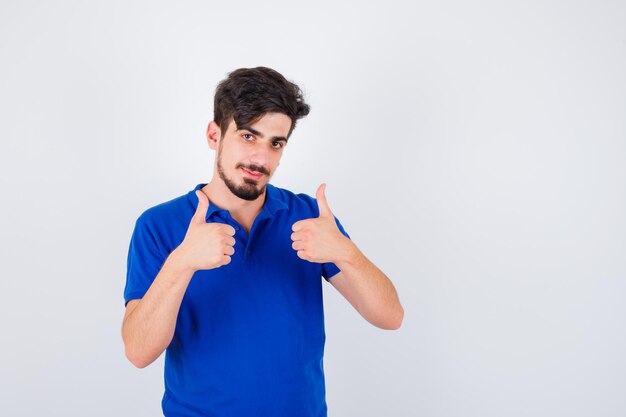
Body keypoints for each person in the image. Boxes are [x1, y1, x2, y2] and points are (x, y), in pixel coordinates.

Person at [121, 66, 404, 417]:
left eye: (276, 143)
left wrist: (346, 252)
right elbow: (138, 351)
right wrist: (182, 263)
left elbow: (390, 317)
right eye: (248, 136)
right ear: (214, 134)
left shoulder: (309, 217)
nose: (261, 158)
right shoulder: (159, 225)